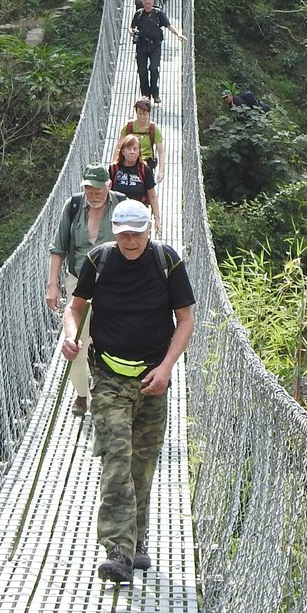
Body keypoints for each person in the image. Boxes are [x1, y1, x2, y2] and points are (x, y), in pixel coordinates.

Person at [60, 199, 195, 584]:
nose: (131, 240)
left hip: (153, 378)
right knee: (117, 459)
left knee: (142, 465)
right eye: (124, 234)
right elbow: (76, 307)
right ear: (115, 233)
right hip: (109, 377)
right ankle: (118, 551)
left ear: (149, 229)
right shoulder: (100, 261)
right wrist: (71, 337)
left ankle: (137, 543)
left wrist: (167, 368)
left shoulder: (167, 261)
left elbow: (185, 320)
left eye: (137, 233)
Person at [47, 164, 127, 417]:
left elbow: (137, 242)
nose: (93, 195)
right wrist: (52, 286)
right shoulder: (72, 207)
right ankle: (83, 394)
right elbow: (58, 247)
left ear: (109, 186)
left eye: (98, 190)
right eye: (89, 189)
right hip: (79, 283)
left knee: (114, 341)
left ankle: (110, 396)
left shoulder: (122, 206)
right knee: (76, 342)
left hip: (115, 286)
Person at [128, 0, 185, 104]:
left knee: (154, 68)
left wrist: (178, 34)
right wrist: (131, 32)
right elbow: (131, 26)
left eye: (149, 3)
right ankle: (146, 95)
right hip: (142, 45)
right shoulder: (138, 13)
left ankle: (155, 92)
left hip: (155, 46)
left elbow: (168, 25)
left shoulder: (158, 13)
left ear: (153, 2)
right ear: (143, 3)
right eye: (145, 3)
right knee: (142, 71)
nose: (147, 5)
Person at [108, 133, 160, 236]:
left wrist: (157, 219)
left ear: (139, 152)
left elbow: (152, 196)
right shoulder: (113, 169)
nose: (132, 152)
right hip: (119, 215)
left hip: (139, 215)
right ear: (122, 151)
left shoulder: (144, 170)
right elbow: (106, 193)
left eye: (135, 149)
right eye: (129, 148)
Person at [119, 97, 164, 183]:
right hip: (129, 160)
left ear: (149, 113)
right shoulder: (129, 127)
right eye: (140, 114)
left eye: (145, 114)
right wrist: (114, 164)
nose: (142, 117)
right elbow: (119, 146)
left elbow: (161, 151)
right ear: (136, 112)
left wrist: (161, 171)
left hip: (147, 164)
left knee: (146, 188)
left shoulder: (153, 129)